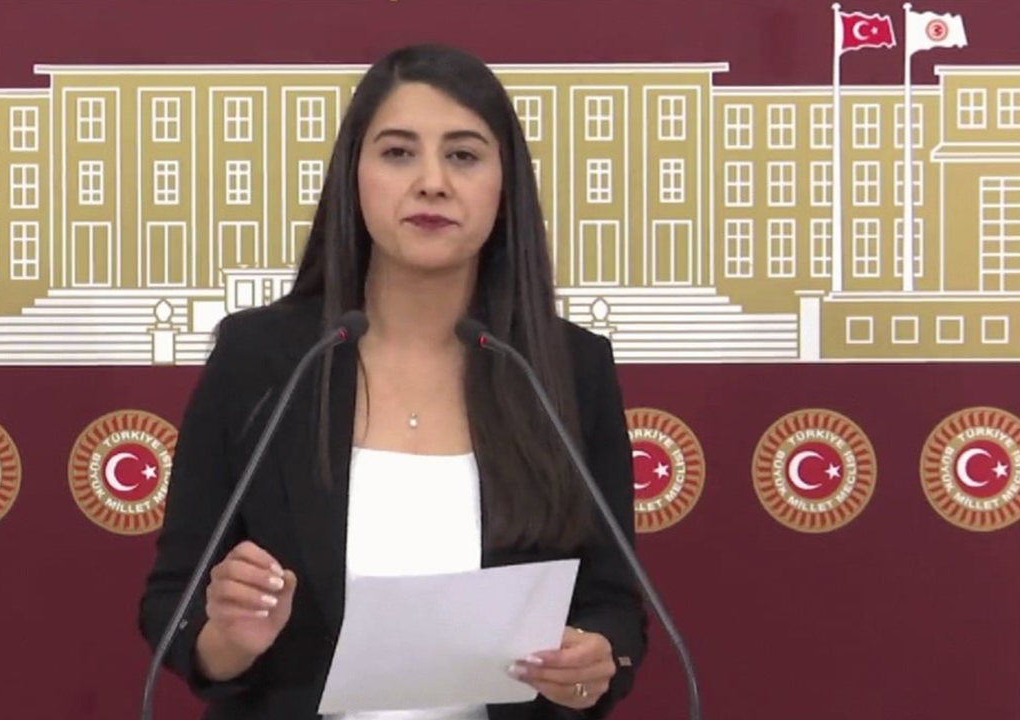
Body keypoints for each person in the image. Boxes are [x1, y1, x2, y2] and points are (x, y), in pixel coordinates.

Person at [139, 43, 647, 720]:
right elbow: (173, 601)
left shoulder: (567, 368)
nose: (432, 182)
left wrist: (587, 666)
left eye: (463, 155)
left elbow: (613, 607)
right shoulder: (261, 358)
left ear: (505, 185)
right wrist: (228, 639)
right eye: (399, 152)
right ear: (354, 175)